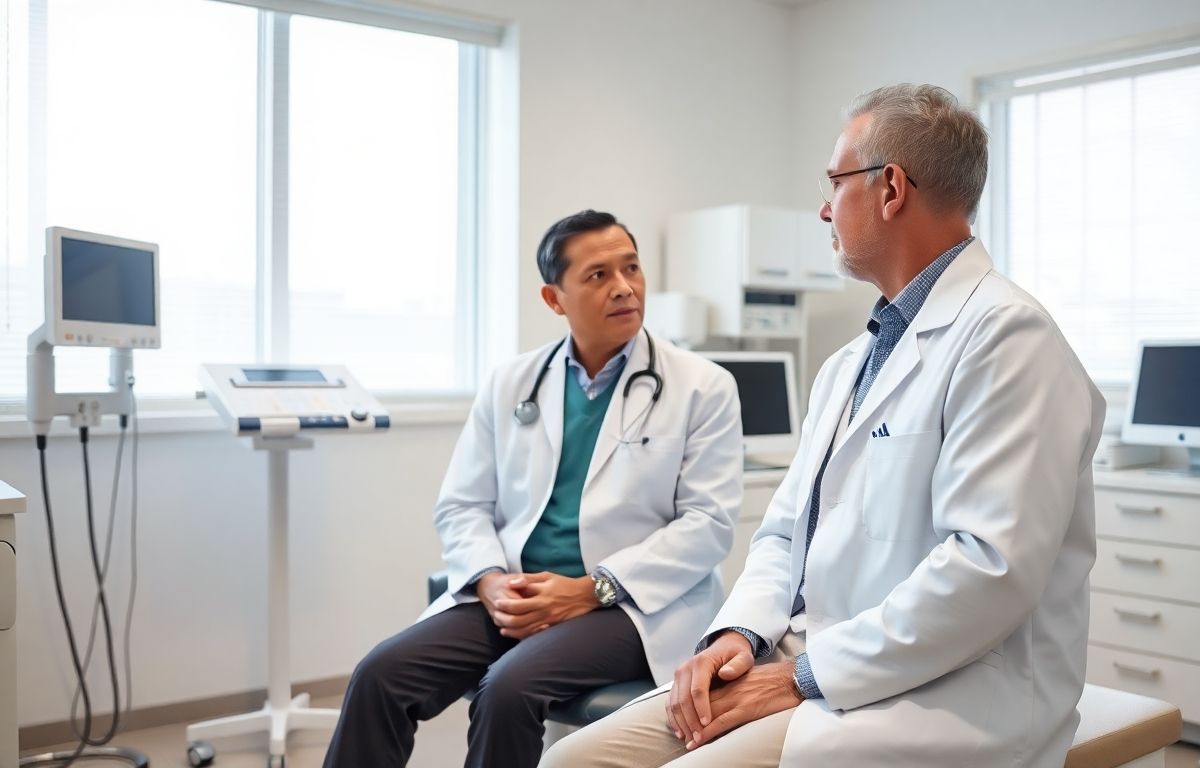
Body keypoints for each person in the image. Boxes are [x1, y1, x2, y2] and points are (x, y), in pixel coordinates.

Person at [542, 84, 1104, 768]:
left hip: (947, 692)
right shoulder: (851, 362)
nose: (822, 207)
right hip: (813, 658)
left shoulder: (1010, 340)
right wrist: (740, 636)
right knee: (572, 760)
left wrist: (799, 677)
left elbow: (988, 570)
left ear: (890, 188)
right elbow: (785, 532)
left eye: (835, 182)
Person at [323, 209, 744, 768]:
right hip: (517, 597)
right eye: (598, 276)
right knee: (381, 675)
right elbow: (463, 504)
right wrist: (492, 582)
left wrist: (588, 590)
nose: (624, 288)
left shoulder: (703, 386)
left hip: (628, 606)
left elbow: (707, 527)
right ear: (554, 298)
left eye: (632, 269)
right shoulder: (511, 383)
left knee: (508, 689)